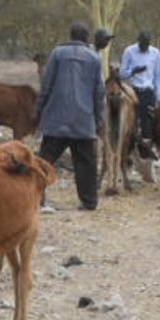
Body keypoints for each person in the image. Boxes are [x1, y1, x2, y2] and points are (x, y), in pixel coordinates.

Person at [36, 23, 106, 211]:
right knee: (86, 163)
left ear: (70, 35)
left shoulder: (57, 54)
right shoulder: (94, 58)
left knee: (44, 161)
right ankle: (89, 201)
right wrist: (98, 117)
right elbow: (99, 92)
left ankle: (36, 198)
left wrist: (39, 109)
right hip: (83, 120)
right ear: (86, 38)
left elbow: (46, 85)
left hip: (56, 118)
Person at [119, 31, 160, 153]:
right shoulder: (129, 51)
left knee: (148, 123)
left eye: (146, 45)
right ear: (138, 41)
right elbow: (122, 73)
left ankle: (146, 152)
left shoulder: (155, 53)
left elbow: (159, 75)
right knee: (130, 122)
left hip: (148, 91)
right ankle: (127, 151)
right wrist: (133, 71)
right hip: (132, 91)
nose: (144, 47)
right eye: (142, 44)